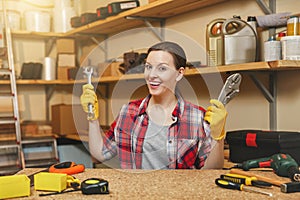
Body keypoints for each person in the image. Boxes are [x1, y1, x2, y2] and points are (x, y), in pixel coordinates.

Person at [80, 41, 227, 169]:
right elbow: (100, 153)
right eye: (148, 67)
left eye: (162, 68)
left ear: (179, 73)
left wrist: (217, 137)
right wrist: (92, 118)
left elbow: (212, 169)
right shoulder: (128, 112)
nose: (152, 75)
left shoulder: (197, 117)